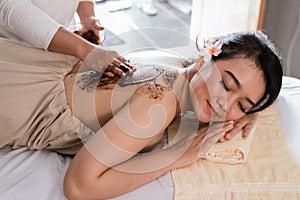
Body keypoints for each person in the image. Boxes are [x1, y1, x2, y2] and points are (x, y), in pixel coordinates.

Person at [0, 31, 283, 199]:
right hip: (19, 102)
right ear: (203, 58)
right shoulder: (159, 105)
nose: (225, 103)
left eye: (243, 104)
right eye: (226, 84)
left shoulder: (174, 66)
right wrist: (180, 156)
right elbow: (78, 186)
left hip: (32, 71)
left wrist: (252, 112)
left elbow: (241, 73)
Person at [0, 0, 134, 76]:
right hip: (19, 58)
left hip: (65, 47)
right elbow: (9, 6)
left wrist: (86, 16)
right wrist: (84, 49)